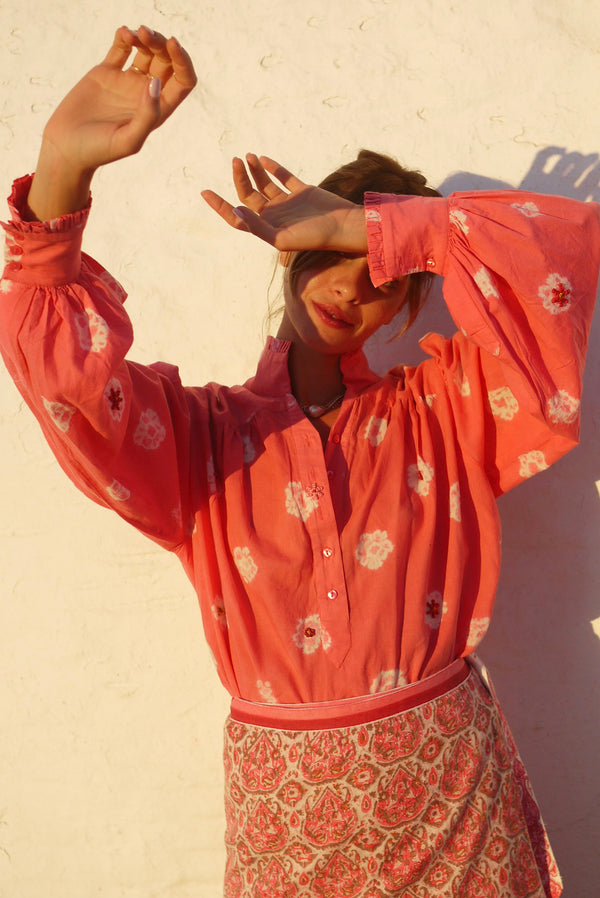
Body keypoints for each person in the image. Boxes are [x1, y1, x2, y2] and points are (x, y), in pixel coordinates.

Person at [1, 25, 599, 898]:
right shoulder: (198, 441)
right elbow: (63, 384)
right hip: (289, 828)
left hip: (456, 809)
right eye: (332, 251)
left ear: (405, 299)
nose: (352, 285)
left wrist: (384, 228)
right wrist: (63, 170)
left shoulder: (446, 412)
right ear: (287, 247)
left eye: (379, 271)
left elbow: (564, 265)